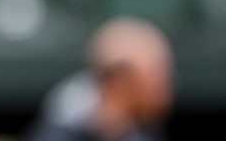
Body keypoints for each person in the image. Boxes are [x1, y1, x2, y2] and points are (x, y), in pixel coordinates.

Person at [24, 16, 173, 141]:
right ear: (121, 81)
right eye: (156, 72)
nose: (164, 86)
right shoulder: (56, 135)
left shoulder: (142, 129)